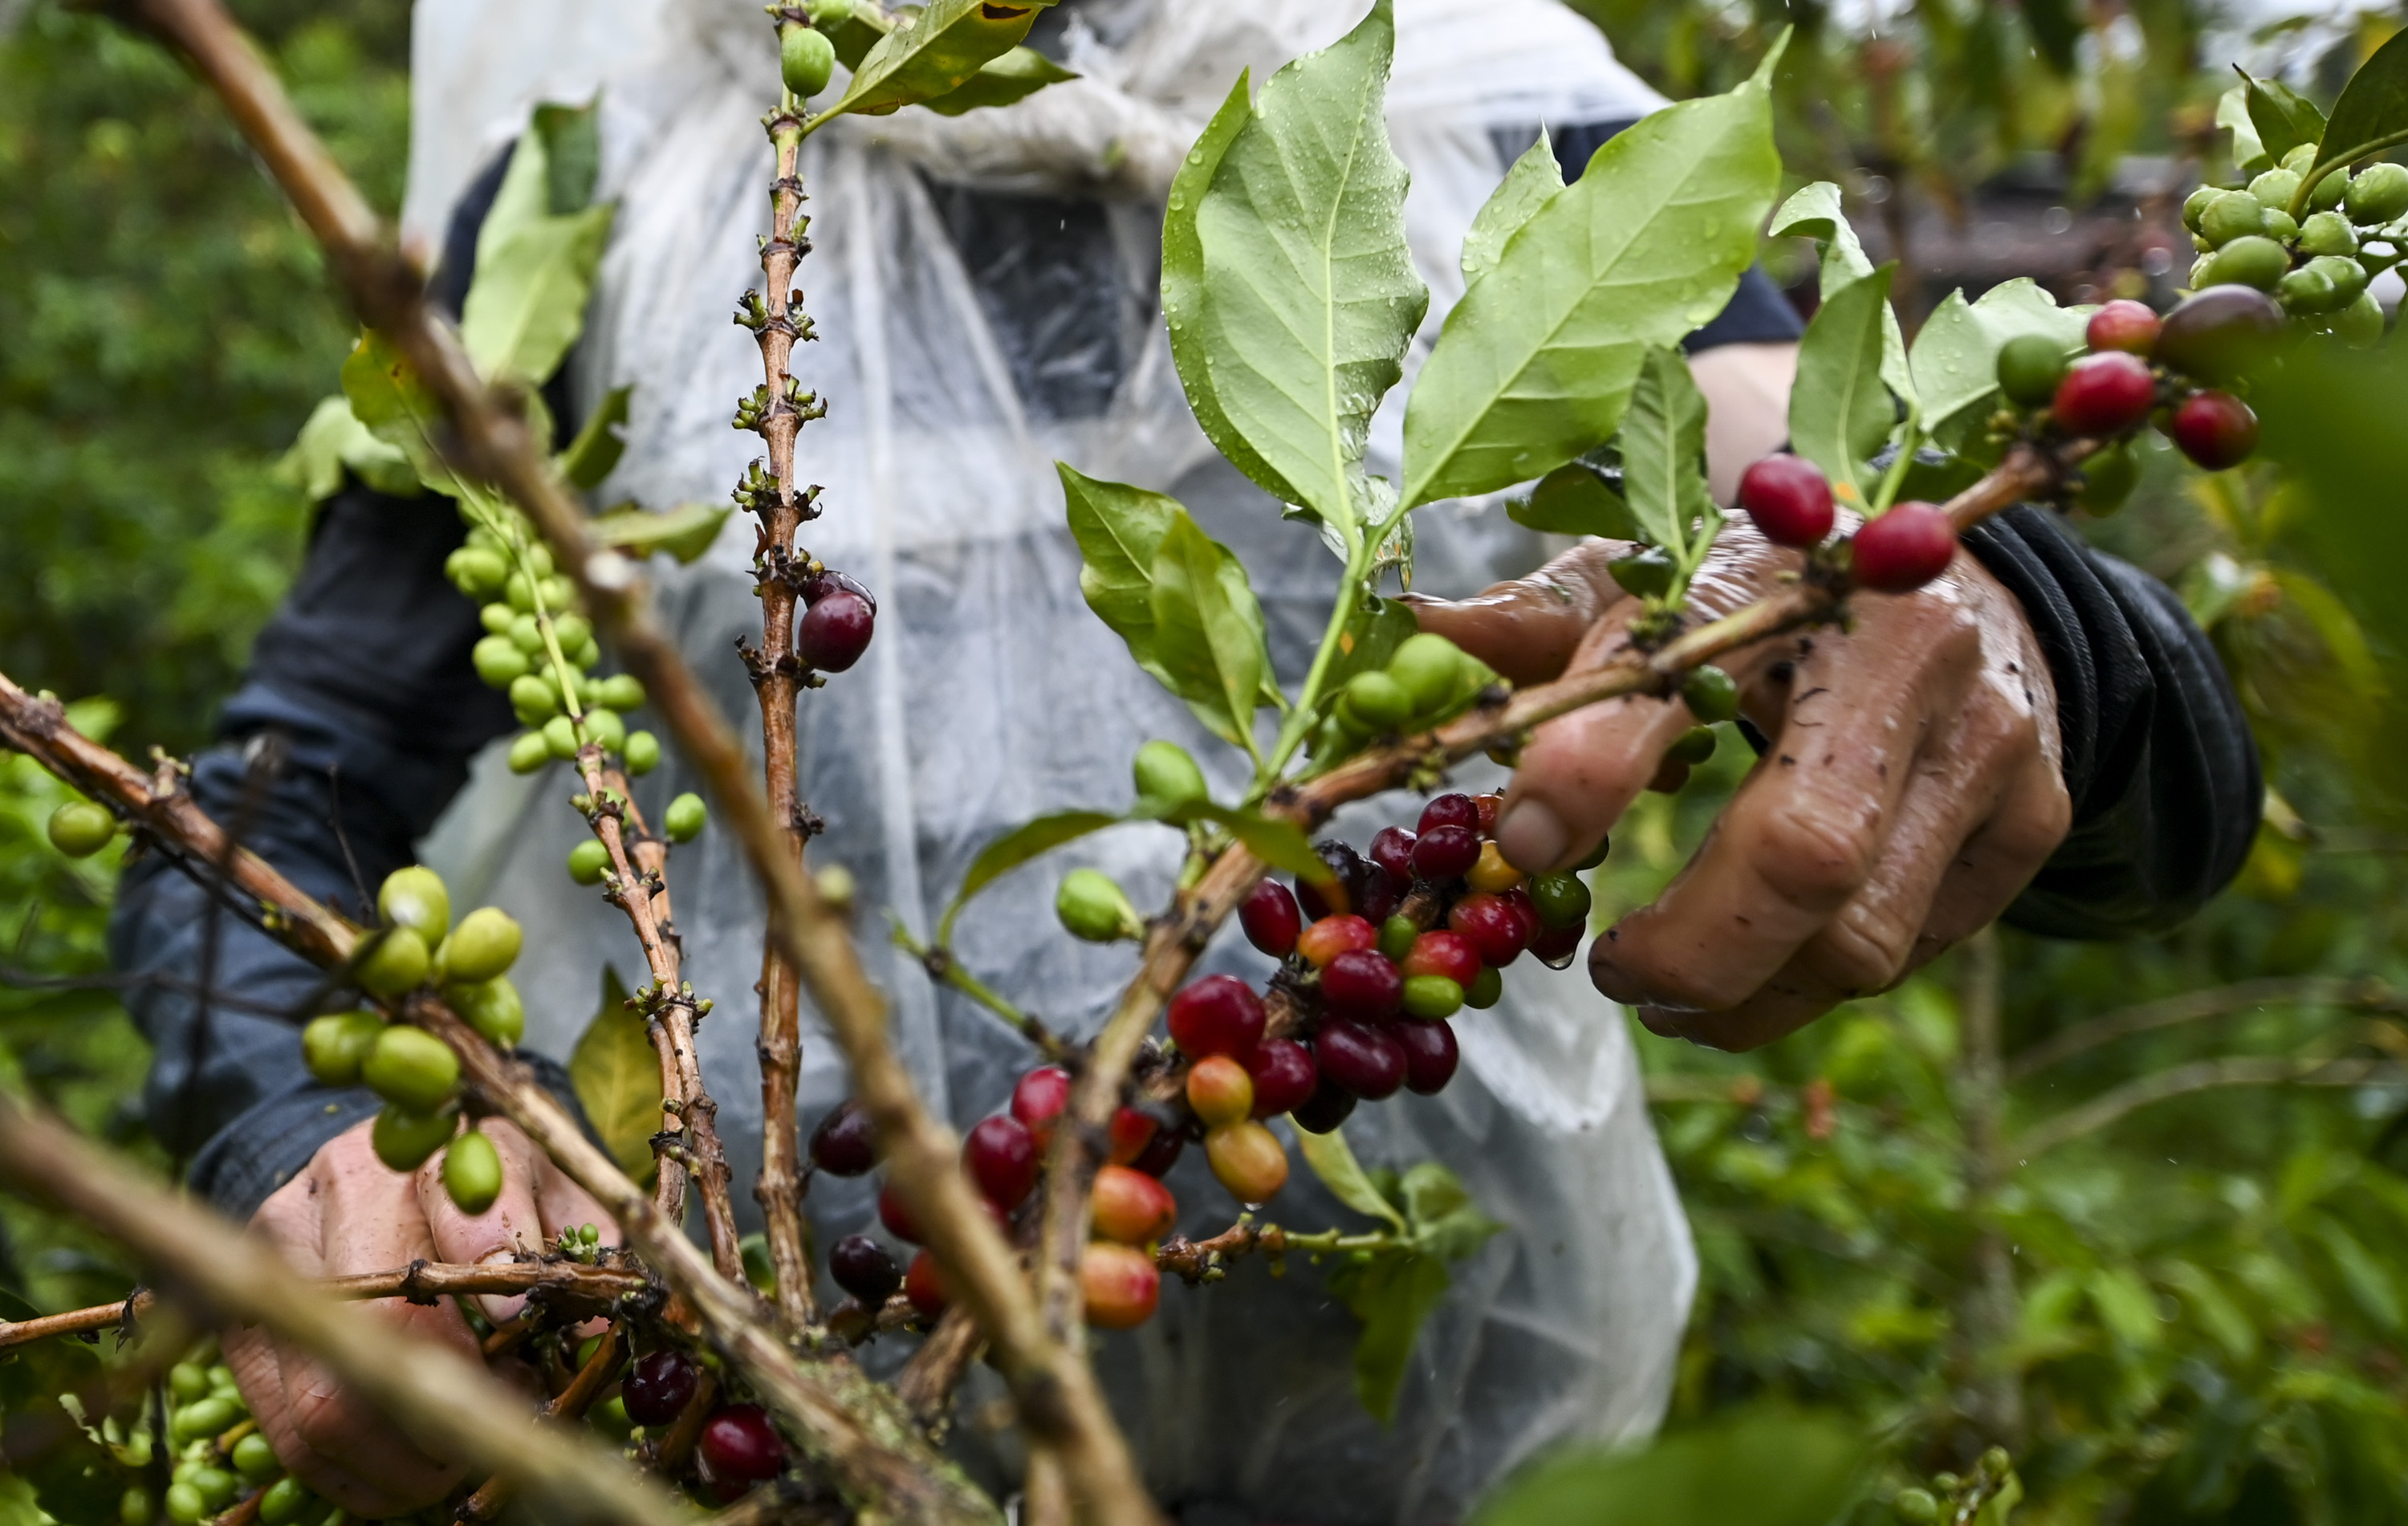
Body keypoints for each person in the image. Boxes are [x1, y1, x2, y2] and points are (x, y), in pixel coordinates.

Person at [110, 0, 2259, 1519]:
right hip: (733, 1409)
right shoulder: (593, 218)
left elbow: (1835, 497)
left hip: (1438, 1450)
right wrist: (294, 1152)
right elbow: (281, 794)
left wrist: (2022, 626)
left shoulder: (1498, 134)